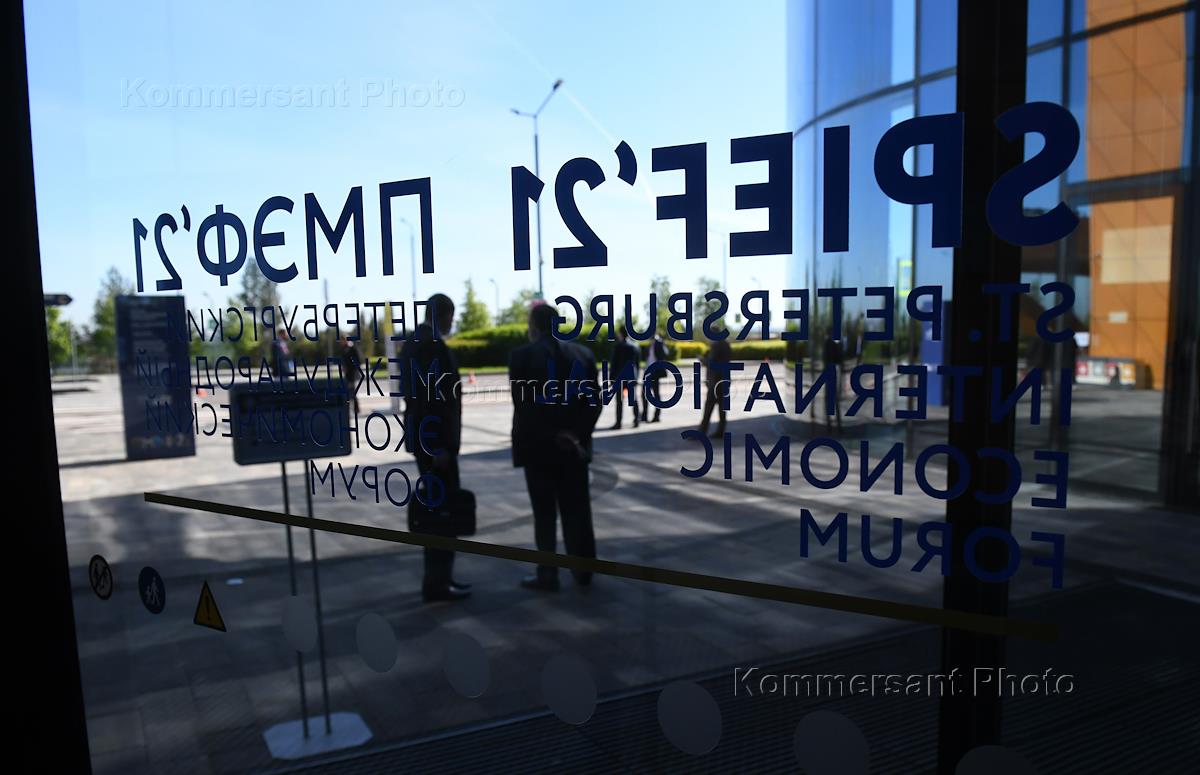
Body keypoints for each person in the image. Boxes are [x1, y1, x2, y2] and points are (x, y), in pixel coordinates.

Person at [509, 303, 603, 591]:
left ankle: (547, 573)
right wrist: (574, 435)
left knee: (544, 514)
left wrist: (551, 435)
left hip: (538, 449)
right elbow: (594, 402)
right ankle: (584, 570)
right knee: (578, 510)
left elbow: (525, 407)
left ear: (534, 326)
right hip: (573, 450)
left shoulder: (522, 356)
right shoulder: (583, 355)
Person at [399, 293, 469, 603]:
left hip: (424, 439)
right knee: (443, 513)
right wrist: (440, 446)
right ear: (443, 316)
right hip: (436, 443)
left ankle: (439, 578)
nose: (452, 323)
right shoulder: (431, 345)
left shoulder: (413, 343)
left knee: (436, 510)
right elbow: (434, 400)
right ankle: (438, 582)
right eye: (451, 317)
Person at [698, 336, 732, 439]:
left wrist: (702, 359)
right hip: (724, 379)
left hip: (715, 381)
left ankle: (702, 431)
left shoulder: (715, 345)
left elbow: (711, 363)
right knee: (722, 408)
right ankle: (720, 431)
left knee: (708, 407)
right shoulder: (726, 344)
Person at [609, 326, 641, 429]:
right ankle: (637, 420)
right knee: (633, 399)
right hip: (631, 376)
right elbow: (637, 364)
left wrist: (611, 378)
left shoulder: (618, 347)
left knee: (619, 401)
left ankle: (618, 422)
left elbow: (614, 364)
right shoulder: (635, 346)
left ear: (621, 334)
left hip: (620, 377)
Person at [641, 333, 669, 423]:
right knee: (644, 394)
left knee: (656, 394)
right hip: (648, 372)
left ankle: (657, 416)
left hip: (655, 372)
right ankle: (644, 415)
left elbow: (666, 353)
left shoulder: (659, 342)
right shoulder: (650, 343)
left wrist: (662, 343)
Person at [341, 338, 364, 416]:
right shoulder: (344, 349)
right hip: (348, 373)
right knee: (350, 391)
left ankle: (355, 408)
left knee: (351, 391)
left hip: (352, 373)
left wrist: (353, 369)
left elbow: (357, 360)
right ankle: (354, 408)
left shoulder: (351, 349)